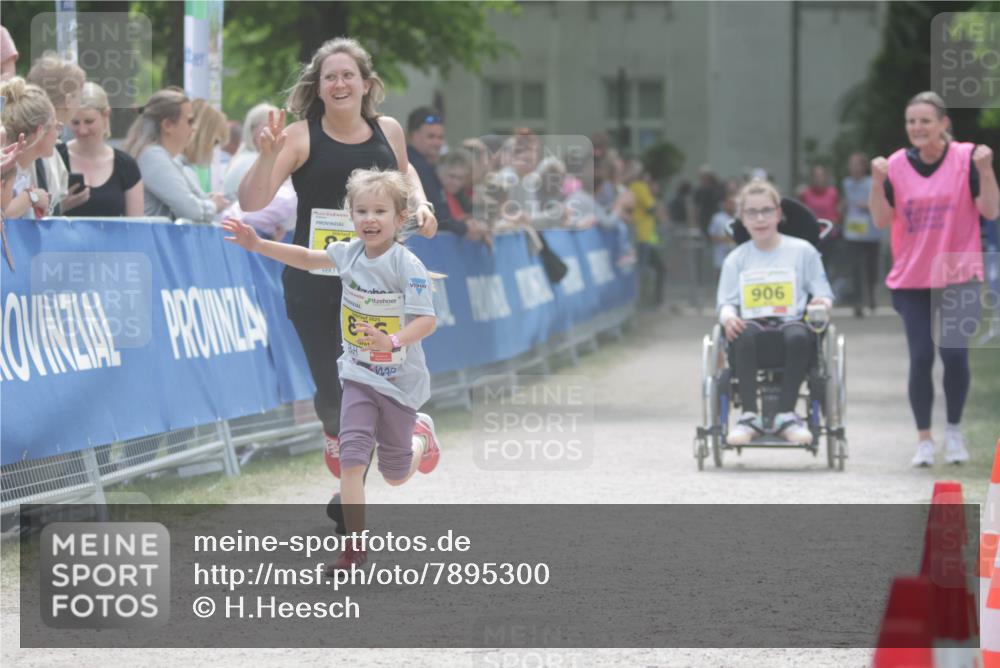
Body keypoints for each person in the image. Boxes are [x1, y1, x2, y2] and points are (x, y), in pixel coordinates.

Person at [223, 168, 440, 570]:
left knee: (395, 475)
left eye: (379, 211)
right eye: (361, 211)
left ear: (399, 217)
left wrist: (392, 341)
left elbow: (427, 321)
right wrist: (258, 245)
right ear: (350, 215)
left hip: (398, 382)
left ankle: (420, 438)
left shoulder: (405, 264)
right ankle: (354, 550)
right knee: (351, 461)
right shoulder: (348, 252)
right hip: (357, 374)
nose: (370, 219)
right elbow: (307, 258)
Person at [237, 37, 437, 467]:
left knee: (372, 384)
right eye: (331, 77)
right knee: (332, 390)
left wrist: (421, 203)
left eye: (349, 75)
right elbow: (252, 203)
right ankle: (337, 431)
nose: (340, 83)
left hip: (375, 283)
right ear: (319, 85)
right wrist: (265, 157)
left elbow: (405, 173)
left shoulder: (389, 130)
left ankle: (356, 492)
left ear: (366, 84)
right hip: (314, 277)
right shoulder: (298, 136)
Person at [869, 91, 999, 467]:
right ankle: (924, 439)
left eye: (925, 120)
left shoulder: (968, 159)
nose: (917, 128)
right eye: (911, 121)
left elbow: (990, 209)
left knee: (954, 355)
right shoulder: (895, 165)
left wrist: (987, 170)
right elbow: (880, 220)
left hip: (959, 275)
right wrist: (878, 183)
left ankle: (954, 432)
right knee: (921, 357)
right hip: (912, 278)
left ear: (943, 124)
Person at [717, 179, 834, 446]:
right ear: (742, 219)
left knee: (799, 337)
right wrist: (728, 317)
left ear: (779, 214)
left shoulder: (803, 251)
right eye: (752, 212)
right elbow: (725, 301)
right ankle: (749, 417)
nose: (760, 219)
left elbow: (823, 293)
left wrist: (820, 304)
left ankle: (786, 416)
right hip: (752, 324)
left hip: (791, 321)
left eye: (767, 211)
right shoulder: (736, 259)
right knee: (742, 335)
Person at [124, 87, 227, 223]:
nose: (194, 128)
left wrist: (207, 202)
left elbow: (191, 201)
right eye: (189, 121)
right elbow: (190, 210)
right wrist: (213, 205)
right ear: (167, 125)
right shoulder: (152, 156)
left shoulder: (162, 156)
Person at [56, 81, 143, 217]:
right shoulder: (56, 157)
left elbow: (136, 226)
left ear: (106, 115)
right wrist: (61, 206)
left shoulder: (125, 165)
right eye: (75, 122)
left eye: (89, 121)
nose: (82, 130)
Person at [406, 106, 488, 242]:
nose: (437, 143)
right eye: (431, 137)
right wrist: (464, 228)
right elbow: (436, 215)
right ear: (414, 136)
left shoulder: (428, 165)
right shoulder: (413, 166)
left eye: (440, 137)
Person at [27, 54, 88, 214]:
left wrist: (61, 206)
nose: (79, 105)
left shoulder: (51, 152)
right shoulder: (26, 148)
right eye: (79, 99)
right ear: (68, 101)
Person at [1, 77, 60, 220]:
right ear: (40, 131)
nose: (58, 136)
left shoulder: (20, 171)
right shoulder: (8, 169)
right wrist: (31, 197)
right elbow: (4, 212)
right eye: (56, 126)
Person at [841, 152, 879, 317]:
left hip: (870, 232)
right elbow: (845, 202)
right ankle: (857, 301)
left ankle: (870, 295)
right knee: (855, 268)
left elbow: (879, 202)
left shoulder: (872, 183)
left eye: (857, 165)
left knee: (871, 268)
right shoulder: (846, 183)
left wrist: (869, 205)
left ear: (864, 167)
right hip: (853, 232)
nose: (854, 168)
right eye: (851, 165)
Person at [222, 102, 278, 201]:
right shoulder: (254, 161)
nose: (278, 133)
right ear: (256, 130)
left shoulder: (243, 156)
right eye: (273, 127)